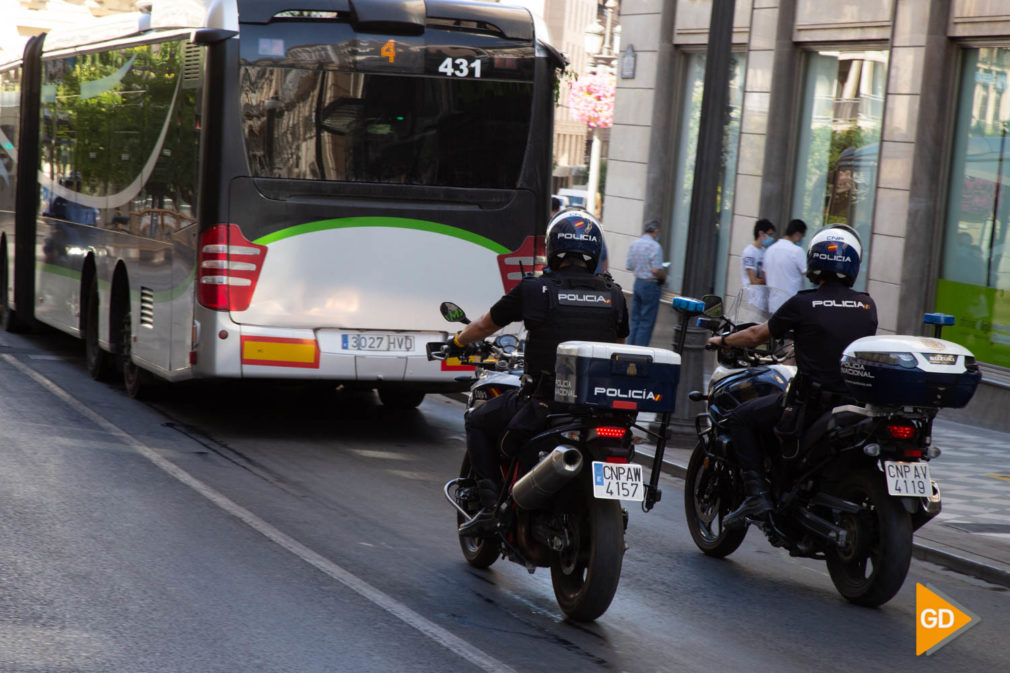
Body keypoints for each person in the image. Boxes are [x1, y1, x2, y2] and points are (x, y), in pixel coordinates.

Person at [444, 209, 629, 536]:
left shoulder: (534, 290)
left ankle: (489, 509)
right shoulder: (614, 296)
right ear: (594, 252)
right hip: (598, 409)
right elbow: (619, 345)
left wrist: (457, 342)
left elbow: (486, 326)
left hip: (544, 403)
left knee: (476, 420)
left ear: (554, 249)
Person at [706, 224, 877, 527]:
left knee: (742, 418)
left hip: (809, 405)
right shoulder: (866, 305)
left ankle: (756, 494)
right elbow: (834, 344)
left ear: (814, 262)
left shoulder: (803, 303)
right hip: (851, 403)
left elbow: (757, 334)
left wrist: (722, 341)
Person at [625, 220, 666, 346]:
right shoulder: (655, 246)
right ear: (656, 231)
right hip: (650, 285)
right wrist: (664, 277)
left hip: (638, 283)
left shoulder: (634, 244)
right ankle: (640, 351)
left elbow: (629, 266)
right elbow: (655, 270)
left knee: (635, 319)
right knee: (646, 321)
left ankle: (629, 349)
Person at [764, 218, 808, 314]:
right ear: (797, 234)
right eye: (802, 236)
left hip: (773, 304)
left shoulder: (769, 250)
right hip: (792, 304)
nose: (801, 240)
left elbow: (765, 275)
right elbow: (808, 273)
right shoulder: (797, 251)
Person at [737, 218, 776, 324]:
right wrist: (765, 279)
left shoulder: (764, 251)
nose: (771, 238)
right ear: (761, 233)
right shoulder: (749, 252)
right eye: (769, 234)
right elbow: (753, 281)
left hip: (762, 300)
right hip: (752, 300)